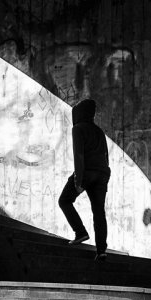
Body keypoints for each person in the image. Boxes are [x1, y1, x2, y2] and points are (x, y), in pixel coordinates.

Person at [58, 98, 111, 261]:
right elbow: (106, 157)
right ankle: (101, 251)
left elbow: (78, 156)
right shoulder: (99, 131)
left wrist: (79, 182)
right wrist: (105, 178)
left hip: (87, 173)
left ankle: (80, 232)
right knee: (99, 212)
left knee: (64, 200)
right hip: (102, 174)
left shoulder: (78, 129)